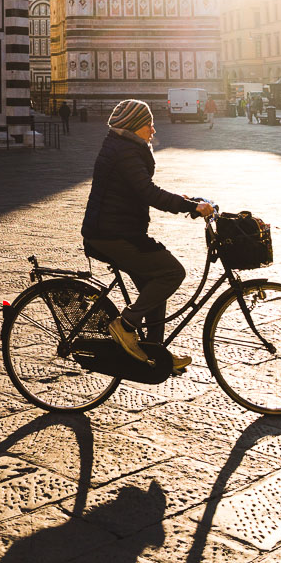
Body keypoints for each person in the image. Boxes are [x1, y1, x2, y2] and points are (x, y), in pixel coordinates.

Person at [81, 99, 214, 372]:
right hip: (112, 235)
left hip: (118, 230)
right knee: (171, 272)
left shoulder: (123, 147)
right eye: (148, 124)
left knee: (154, 287)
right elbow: (147, 192)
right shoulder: (125, 151)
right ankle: (125, 325)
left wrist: (184, 200)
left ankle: (155, 355)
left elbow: (139, 187)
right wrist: (189, 207)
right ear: (134, 126)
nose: (153, 130)